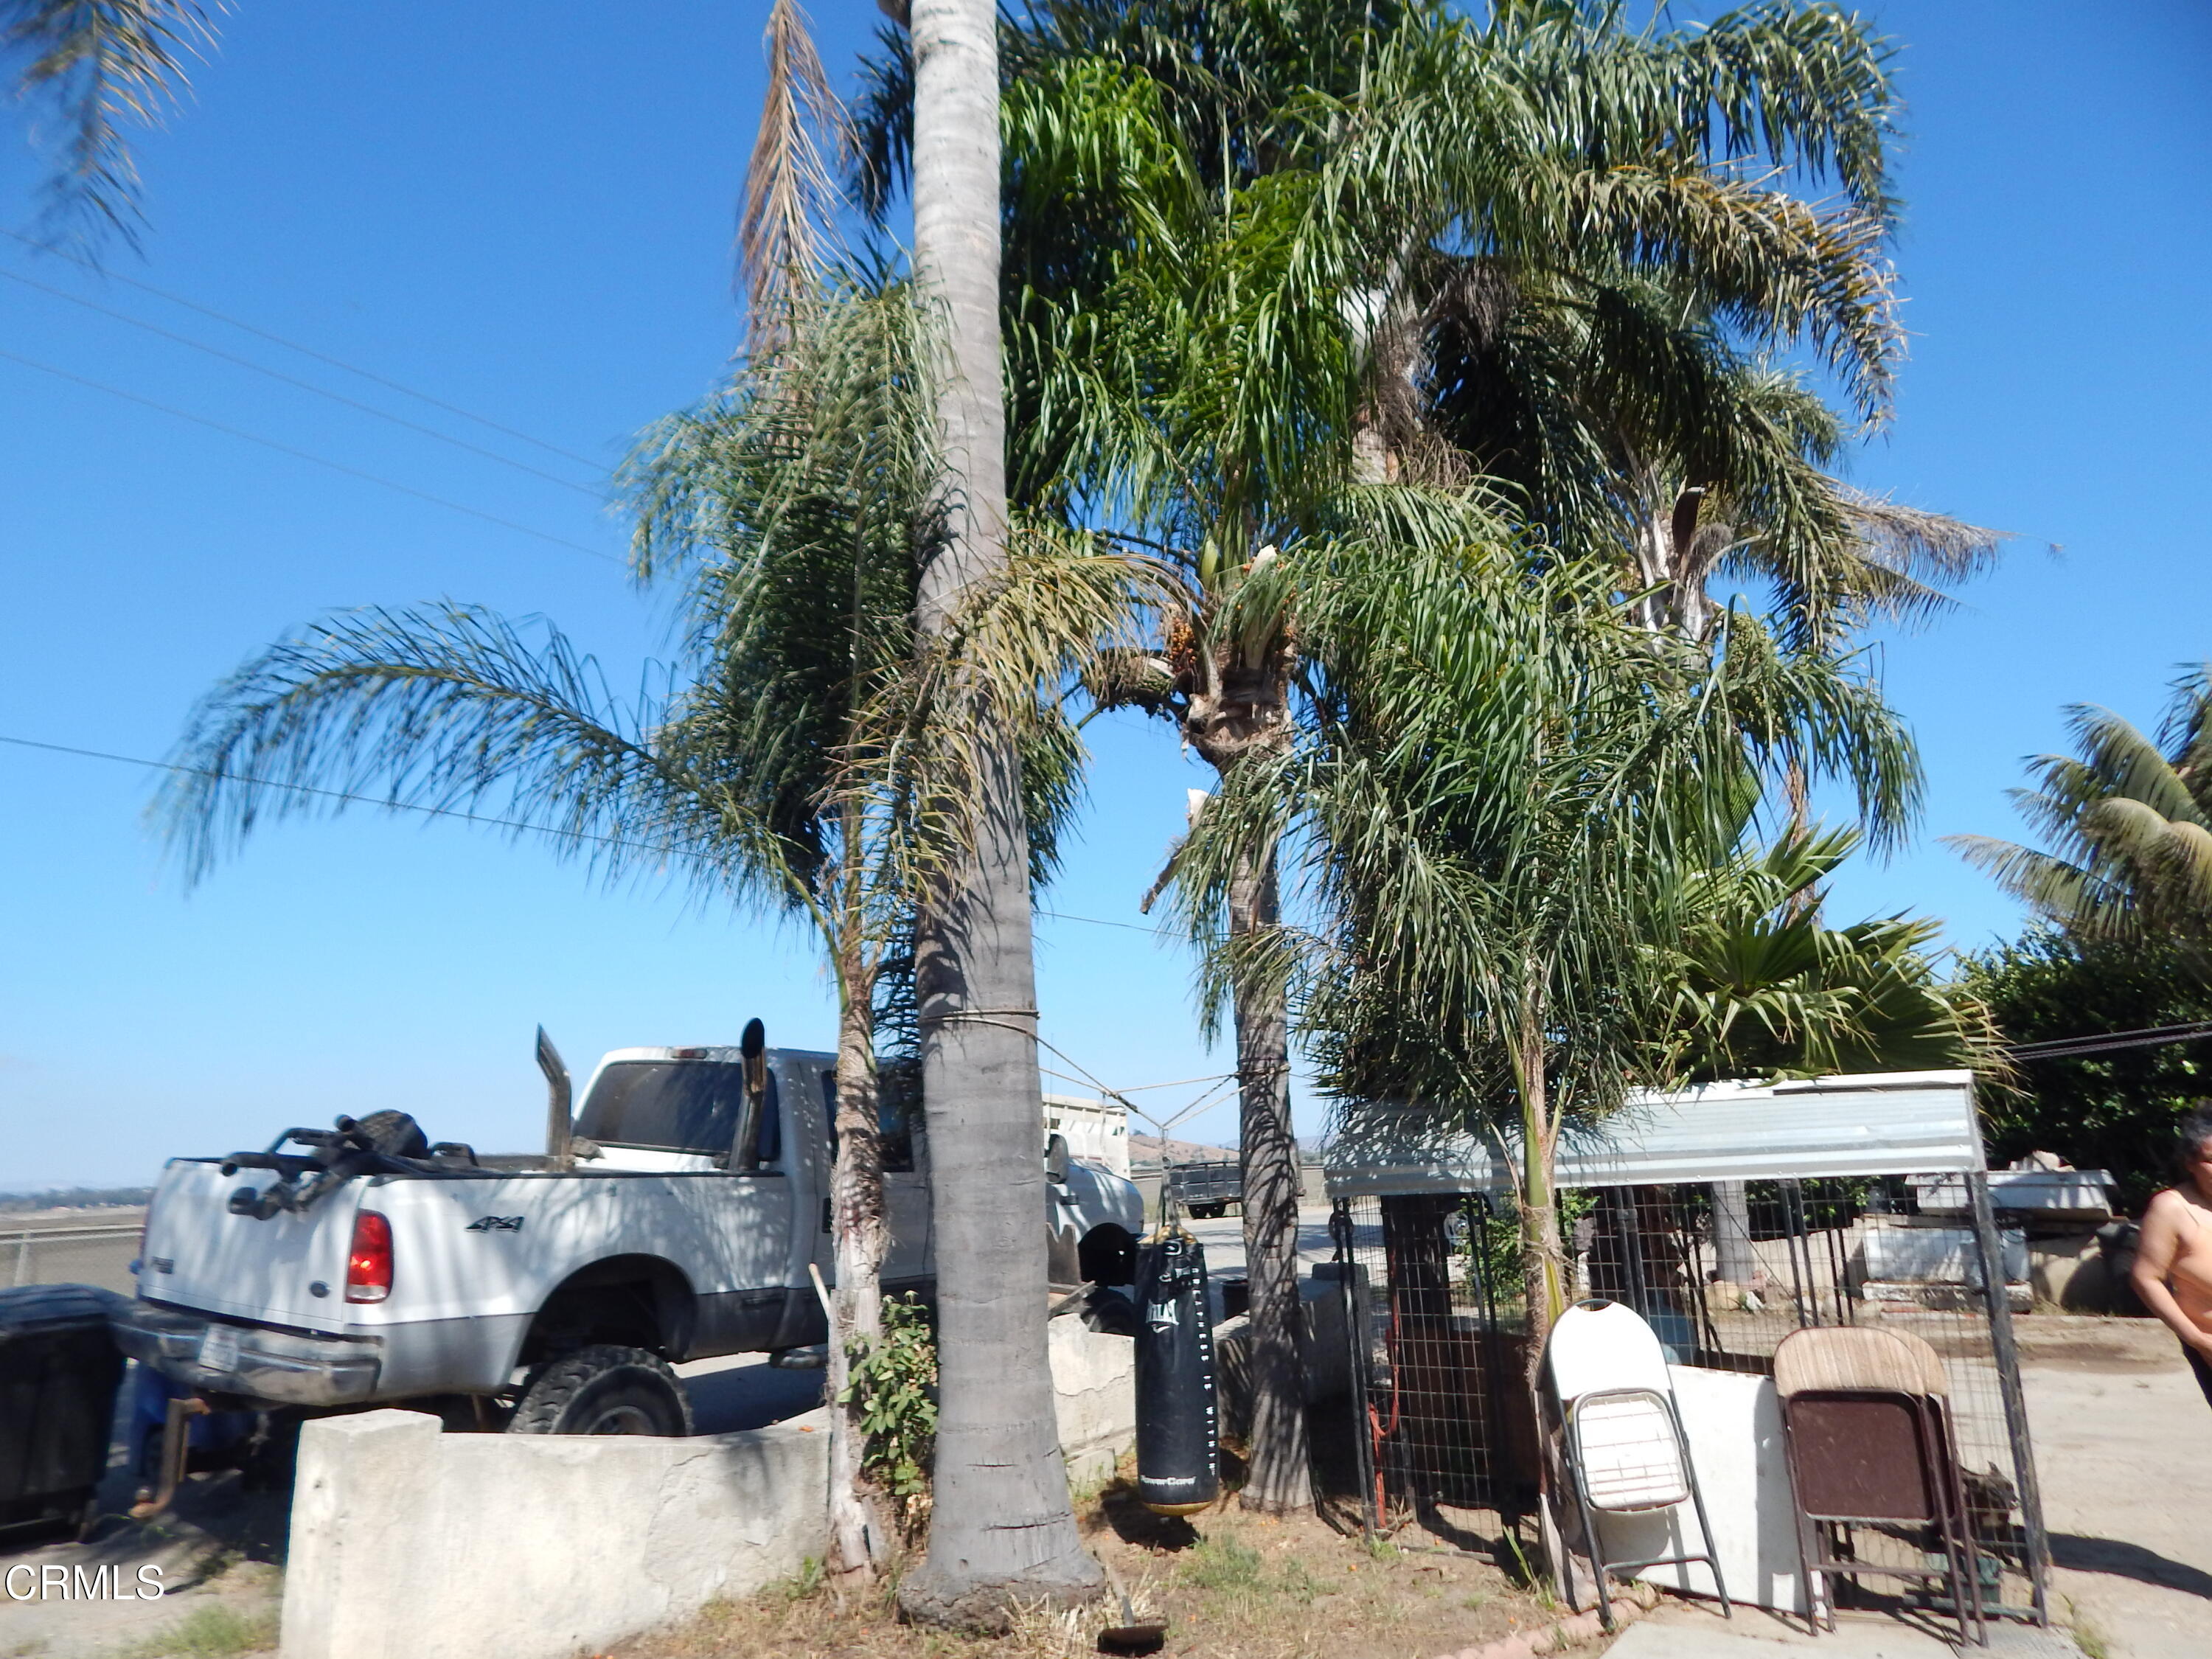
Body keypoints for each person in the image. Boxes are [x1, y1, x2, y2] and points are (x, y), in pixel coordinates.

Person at [2129, 1102, 2212, 1405]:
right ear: (2190, 1161)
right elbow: (2146, 1278)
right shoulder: (2171, 1208)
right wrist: (2196, 1339)